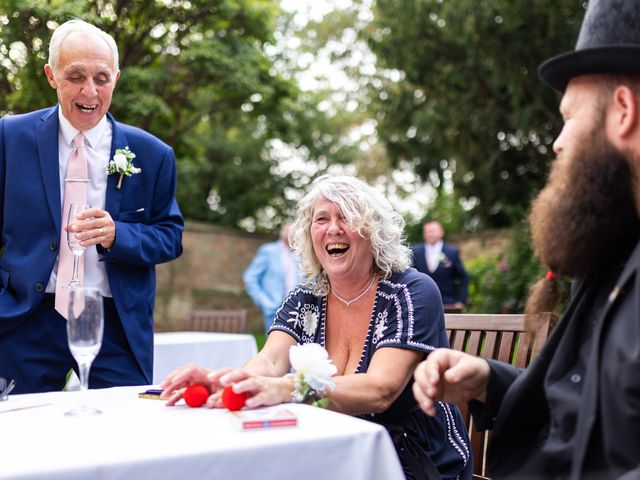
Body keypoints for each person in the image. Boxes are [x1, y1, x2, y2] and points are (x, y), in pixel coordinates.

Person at [413, 0, 640, 478]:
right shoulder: (614, 253)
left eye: (569, 116)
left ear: (623, 110)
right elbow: (584, 406)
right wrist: (488, 382)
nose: (558, 142)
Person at [161, 175, 472, 479]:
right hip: (330, 446)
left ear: (374, 231)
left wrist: (288, 388)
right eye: (321, 219)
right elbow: (269, 361)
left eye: (347, 217)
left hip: (411, 454)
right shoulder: (306, 296)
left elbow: (381, 390)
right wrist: (228, 381)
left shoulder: (409, 291)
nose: (333, 229)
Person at [0, 19, 184, 394]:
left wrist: (120, 234)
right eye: (76, 76)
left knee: (117, 439)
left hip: (115, 324)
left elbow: (171, 236)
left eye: (101, 78)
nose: (90, 91)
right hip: (25, 319)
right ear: (52, 76)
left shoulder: (154, 154)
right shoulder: (9, 137)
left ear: (116, 77)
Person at [243, 223, 302, 335]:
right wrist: (264, 302)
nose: (291, 233)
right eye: (287, 230)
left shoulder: (301, 253)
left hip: (298, 309)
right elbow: (250, 277)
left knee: (298, 349)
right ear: (282, 233)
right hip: (275, 309)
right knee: (275, 349)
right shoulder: (269, 251)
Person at [412, 220, 468, 310]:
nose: (430, 234)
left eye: (433, 231)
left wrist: (461, 301)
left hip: (448, 304)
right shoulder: (416, 251)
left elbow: (463, 277)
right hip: (421, 304)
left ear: (442, 232)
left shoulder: (452, 252)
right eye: (427, 231)